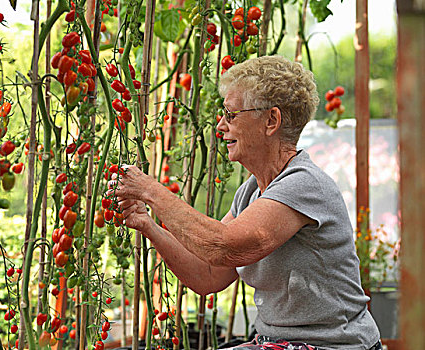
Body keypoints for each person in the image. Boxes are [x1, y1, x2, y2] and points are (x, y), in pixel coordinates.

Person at [113, 56, 382, 350]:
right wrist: (149, 225)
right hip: (277, 343)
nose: (220, 125)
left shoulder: (304, 185)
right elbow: (208, 275)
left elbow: (223, 246)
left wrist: (151, 190)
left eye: (231, 114)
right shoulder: (251, 192)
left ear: (271, 121)